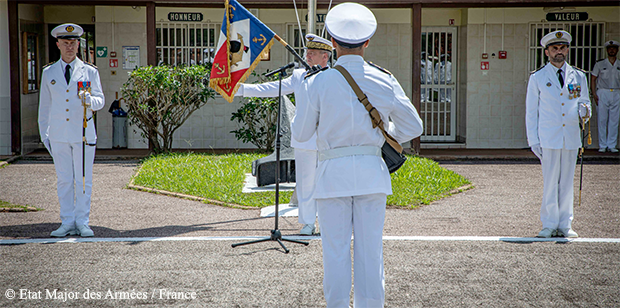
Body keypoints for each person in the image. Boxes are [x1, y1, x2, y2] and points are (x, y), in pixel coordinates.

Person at [292, 3, 423, 307]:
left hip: (332, 176)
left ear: (333, 44)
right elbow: (413, 126)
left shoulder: (318, 83)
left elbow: (300, 135)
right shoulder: (384, 79)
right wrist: (382, 135)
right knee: (370, 252)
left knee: (335, 252)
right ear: (366, 43)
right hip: (371, 173)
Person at [236, 33, 333, 236]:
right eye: (307, 52)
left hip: (329, 139)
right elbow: (272, 88)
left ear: (326, 57)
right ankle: (308, 223)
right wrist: (241, 89)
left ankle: (328, 223)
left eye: (313, 53)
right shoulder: (299, 75)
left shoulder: (335, 77)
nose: (308, 56)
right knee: (306, 182)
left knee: (328, 183)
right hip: (304, 138)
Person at [38, 23, 105, 237]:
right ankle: (66, 221)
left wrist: (89, 100)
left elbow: (101, 101)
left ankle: (82, 222)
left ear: (78, 45)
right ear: (57, 44)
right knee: (64, 180)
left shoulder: (89, 71)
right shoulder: (49, 72)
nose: (70, 47)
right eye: (66, 43)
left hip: (83, 134)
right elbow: (44, 107)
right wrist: (45, 135)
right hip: (58, 134)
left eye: (74, 43)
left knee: (83, 179)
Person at [526, 30, 591, 238]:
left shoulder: (579, 76)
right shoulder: (537, 77)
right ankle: (548, 224)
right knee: (550, 181)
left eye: (562, 48)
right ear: (547, 52)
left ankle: (565, 224)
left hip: (570, 136)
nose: (559, 52)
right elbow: (531, 112)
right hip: (549, 136)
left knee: (567, 182)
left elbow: (585, 103)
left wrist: (585, 112)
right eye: (554, 49)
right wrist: (533, 141)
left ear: (567, 50)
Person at [591, 40, 620, 153]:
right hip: (602, 92)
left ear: (617, 50)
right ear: (607, 50)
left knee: (614, 120)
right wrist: (594, 93)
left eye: (614, 48)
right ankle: (602, 145)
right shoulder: (600, 64)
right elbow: (593, 79)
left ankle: (611, 145)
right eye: (610, 48)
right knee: (602, 119)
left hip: (617, 92)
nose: (612, 50)